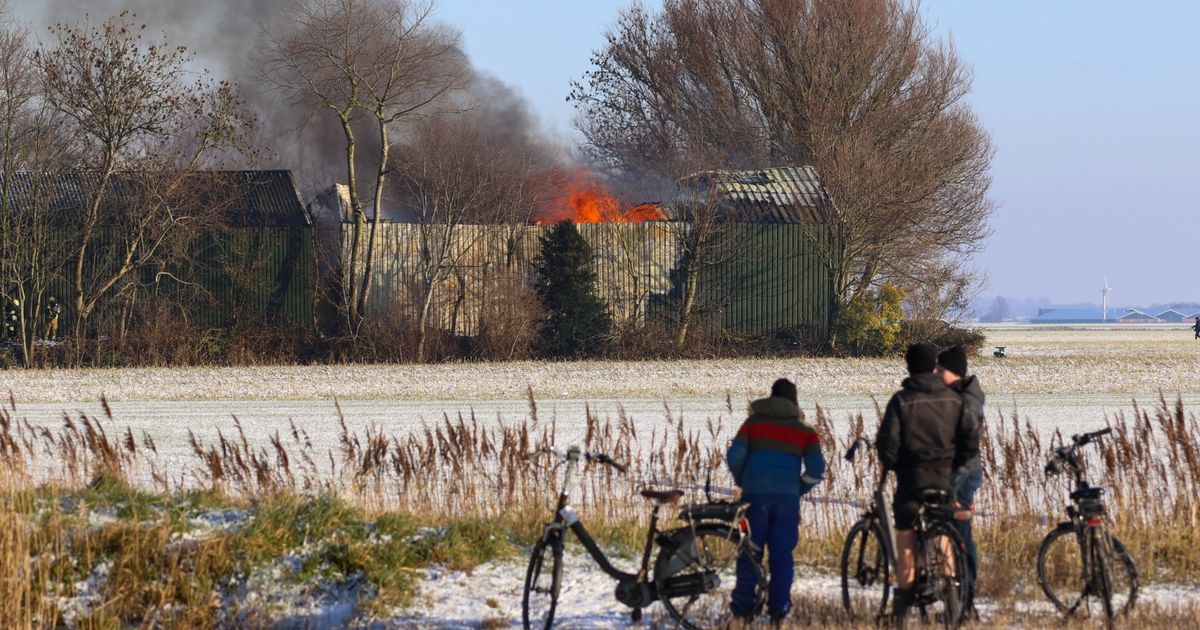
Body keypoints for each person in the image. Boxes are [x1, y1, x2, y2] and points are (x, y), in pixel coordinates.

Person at [876, 343, 979, 629]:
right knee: (943, 534)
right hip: (945, 479)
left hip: (912, 480)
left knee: (906, 539)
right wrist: (955, 463)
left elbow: (887, 443)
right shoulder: (954, 400)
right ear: (934, 366)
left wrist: (896, 465)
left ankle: (901, 611)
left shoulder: (901, 400)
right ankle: (950, 594)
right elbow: (971, 438)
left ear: (909, 367)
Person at [726, 378, 826, 623]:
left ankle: (742, 610)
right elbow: (816, 470)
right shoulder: (804, 430)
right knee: (782, 557)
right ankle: (778, 610)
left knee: (750, 554)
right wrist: (798, 488)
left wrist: (743, 480)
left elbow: (734, 456)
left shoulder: (752, 424)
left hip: (753, 500)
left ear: (770, 398)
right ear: (794, 401)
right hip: (786, 503)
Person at [937, 344, 986, 616]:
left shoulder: (966, 401)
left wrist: (955, 475)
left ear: (954, 372)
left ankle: (965, 601)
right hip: (960, 471)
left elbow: (966, 443)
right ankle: (960, 600)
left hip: (963, 475)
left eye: (940, 369)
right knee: (954, 533)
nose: (936, 373)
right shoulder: (960, 395)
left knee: (961, 536)